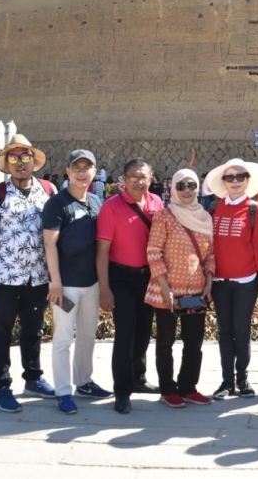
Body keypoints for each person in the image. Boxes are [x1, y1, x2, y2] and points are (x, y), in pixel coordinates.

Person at [0, 134, 57, 413]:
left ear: (34, 162)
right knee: (0, 331)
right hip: (5, 277)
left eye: (25, 158)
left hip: (38, 276)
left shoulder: (48, 191)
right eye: (13, 158)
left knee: (33, 328)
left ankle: (33, 378)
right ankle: (1, 387)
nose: (20, 164)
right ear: (6, 164)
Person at [42, 149, 111, 414]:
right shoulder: (57, 204)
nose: (82, 172)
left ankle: (84, 381)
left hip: (91, 285)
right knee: (62, 338)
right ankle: (63, 391)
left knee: (87, 336)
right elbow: (49, 244)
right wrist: (55, 282)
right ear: (68, 172)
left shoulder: (95, 202)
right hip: (67, 287)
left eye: (87, 167)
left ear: (94, 172)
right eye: (77, 167)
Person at [96, 158, 163, 414]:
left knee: (144, 331)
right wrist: (105, 289)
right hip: (121, 277)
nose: (138, 180)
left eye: (143, 176)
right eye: (133, 176)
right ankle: (122, 390)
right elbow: (102, 251)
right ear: (124, 179)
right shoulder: (111, 207)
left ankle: (138, 378)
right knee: (125, 334)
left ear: (151, 178)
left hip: (148, 278)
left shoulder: (156, 203)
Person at [144, 169, 215, 408]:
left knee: (194, 343)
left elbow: (210, 255)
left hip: (196, 291)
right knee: (165, 342)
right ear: (174, 188)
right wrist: (164, 287)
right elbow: (154, 252)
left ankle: (188, 387)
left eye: (191, 185)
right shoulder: (164, 216)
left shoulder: (205, 217)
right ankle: (167, 389)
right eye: (182, 185)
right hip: (167, 291)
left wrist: (209, 281)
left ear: (198, 188)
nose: (187, 191)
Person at [202, 158, 258, 399]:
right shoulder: (213, 208)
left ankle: (243, 379)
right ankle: (226, 381)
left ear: (247, 181)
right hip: (220, 280)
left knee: (241, 331)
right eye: (229, 177)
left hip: (246, 280)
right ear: (223, 182)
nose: (235, 182)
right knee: (224, 331)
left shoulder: (254, 208)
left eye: (240, 176)